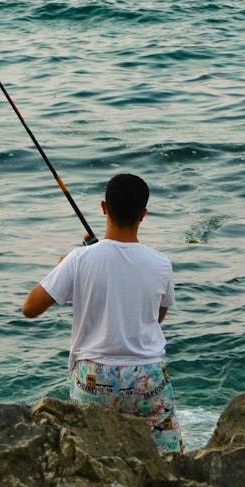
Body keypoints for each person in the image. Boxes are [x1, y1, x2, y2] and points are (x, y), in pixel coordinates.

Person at [20, 172, 183, 452]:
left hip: (95, 378)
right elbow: (155, 318)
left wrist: (66, 268)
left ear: (103, 208)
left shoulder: (80, 259)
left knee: (93, 454)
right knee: (169, 459)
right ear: (143, 214)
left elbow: (29, 308)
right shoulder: (161, 264)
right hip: (147, 378)